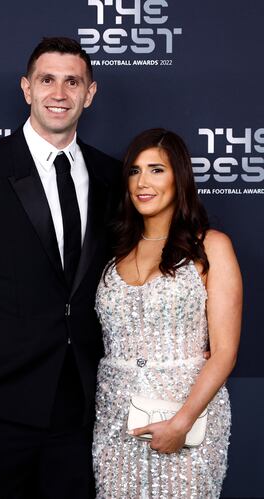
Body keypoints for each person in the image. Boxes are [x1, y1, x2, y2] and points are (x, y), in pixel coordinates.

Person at [0, 37, 120, 498]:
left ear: (90, 93)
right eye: (47, 79)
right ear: (26, 88)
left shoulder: (112, 175)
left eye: (73, 81)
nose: (59, 92)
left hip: (78, 409)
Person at [92, 128, 242, 498]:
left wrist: (182, 421)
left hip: (188, 422)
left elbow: (224, 352)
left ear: (180, 177)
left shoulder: (211, 247)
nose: (143, 181)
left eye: (156, 170)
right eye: (135, 171)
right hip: (114, 423)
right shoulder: (112, 253)